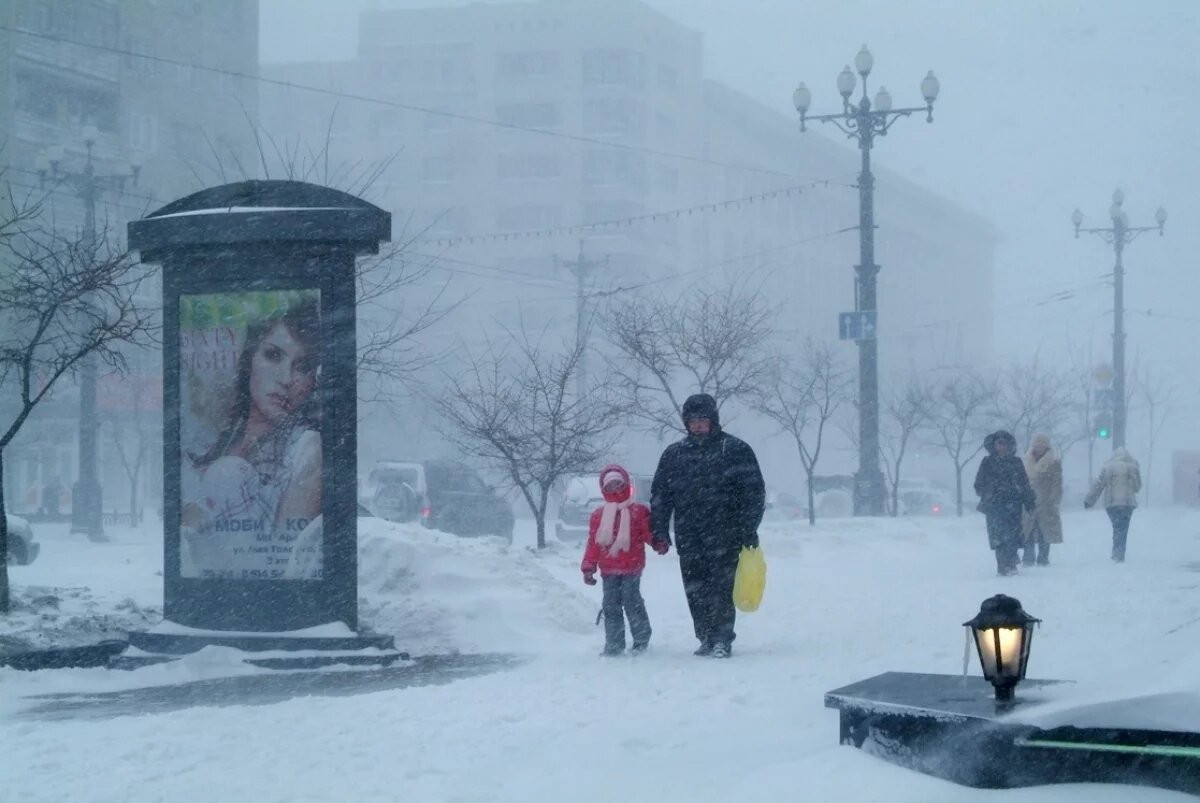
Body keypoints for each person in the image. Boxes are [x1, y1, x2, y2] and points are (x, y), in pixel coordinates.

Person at [181, 299, 323, 580]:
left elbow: (289, 565)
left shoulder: (307, 449)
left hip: (243, 593)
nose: (286, 378)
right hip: (211, 594)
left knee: (228, 472)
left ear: (313, 381)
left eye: (302, 366)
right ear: (250, 361)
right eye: (273, 355)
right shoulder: (202, 447)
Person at [650, 393, 765, 659]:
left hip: (726, 535)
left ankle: (722, 638)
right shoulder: (674, 455)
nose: (698, 425)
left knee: (722, 589)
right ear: (686, 423)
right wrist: (659, 531)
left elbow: (754, 493)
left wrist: (748, 527)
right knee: (695, 590)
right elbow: (660, 496)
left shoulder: (735, 450)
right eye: (693, 421)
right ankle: (705, 637)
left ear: (713, 420)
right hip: (689, 536)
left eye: (703, 420)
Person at [581, 465, 663, 656]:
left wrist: (657, 542)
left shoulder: (638, 511)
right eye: (610, 486)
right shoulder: (598, 515)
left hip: (632, 566)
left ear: (626, 485)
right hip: (608, 568)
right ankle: (614, 644)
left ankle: (641, 639)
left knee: (632, 601)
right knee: (611, 606)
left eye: (618, 484)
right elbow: (593, 543)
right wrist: (588, 567)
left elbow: (647, 533)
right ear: (604, 489)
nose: (615, 488)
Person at [974, 430, 1035, 576]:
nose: (1001, 447)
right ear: (994, 445)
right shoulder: (987, 462)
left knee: (1012, 536)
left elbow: (1024, 483)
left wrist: (1029, 500)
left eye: (1004, 444)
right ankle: (1002, 566)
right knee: (998, 538)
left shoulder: (1016, 462)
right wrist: (988, 493)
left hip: (1013, 506)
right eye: (998, 444)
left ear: (1009, 445)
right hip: (994, 507)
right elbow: (978, 483)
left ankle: (1011, 563)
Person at [1085, 448, 1142, 562]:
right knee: (1123, 528)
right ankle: (1118, 554)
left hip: (1112, 504)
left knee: (1117, 527)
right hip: (1127, 504)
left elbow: (1099, 485)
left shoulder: (1107, 467)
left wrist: (1089, 500)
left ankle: (1117, 553)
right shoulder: (1132, 467)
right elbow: (1137, 487)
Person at [1021, 434, 1063, 566]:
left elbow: (1057, 483)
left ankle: (1043, 557)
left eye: (1042, 443)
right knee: (1027, 530)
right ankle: (1028, 557)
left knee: (1045, 531)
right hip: (1029, 501)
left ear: (1047, 446)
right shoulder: (1026, 461)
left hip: (1046, 502)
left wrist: (1053, 500)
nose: (1039, 446)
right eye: (1037, 443)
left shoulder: (1053, 462)